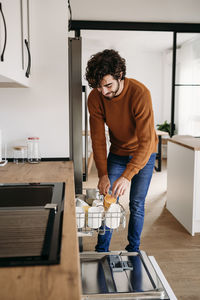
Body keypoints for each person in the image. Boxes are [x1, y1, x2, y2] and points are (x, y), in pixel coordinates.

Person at [85, 49, 158, 253]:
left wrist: (127, 176)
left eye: (108, 85)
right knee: (108, 201)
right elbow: (98, 139)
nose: (104, 92)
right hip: (117, 152)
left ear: (120, 75)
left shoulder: (140, 93)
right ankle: (102, 251)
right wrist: (102, 174)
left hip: (144, 153)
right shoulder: (95, 97)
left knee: (136, 203)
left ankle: (133, 250)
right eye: (98, 87)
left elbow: (145, 141)